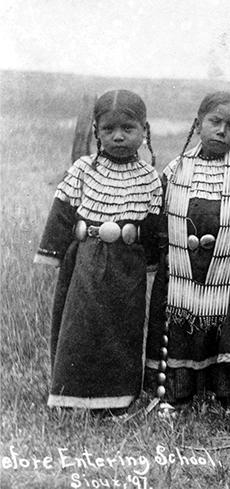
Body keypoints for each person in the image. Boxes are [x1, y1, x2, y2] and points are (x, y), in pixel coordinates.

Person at [35, 89, 162, 413]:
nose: (118, 136)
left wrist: (151, 263)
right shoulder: (83, 169)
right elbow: (63, 211)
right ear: (96, 132)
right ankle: (71, 394)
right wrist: (52, 252)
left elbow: (151, 225)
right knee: (80, 325)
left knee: (123, 329)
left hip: (126, 267)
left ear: (144, 131)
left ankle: (117, 397)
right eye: (109, 129)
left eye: (128, 129)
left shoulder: (149, 178)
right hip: (85, 263)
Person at [145, 92, 230, 412]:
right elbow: (161, 224)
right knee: (181, 332)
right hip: (180, 272)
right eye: (215, 122)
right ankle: (177, 395)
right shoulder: (175, 171)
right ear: (198, 124)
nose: (222, 131)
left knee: (229, 333)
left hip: (227, 272)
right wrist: (165, 265)